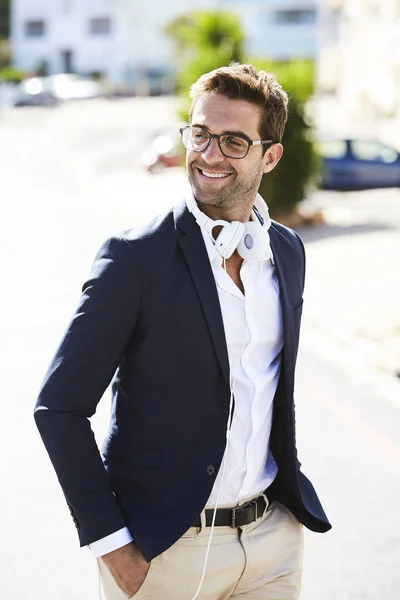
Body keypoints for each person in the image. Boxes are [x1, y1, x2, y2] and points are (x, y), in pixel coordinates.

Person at [34, 62, 331, 600]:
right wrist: (110, 543)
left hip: (271, 544)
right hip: (166, 553)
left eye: (234, 141)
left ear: (270, 155)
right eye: (200, 134)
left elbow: (265, 389)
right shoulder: (134, 258)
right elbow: (59, 408)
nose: (210, 154)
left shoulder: (287, 253)